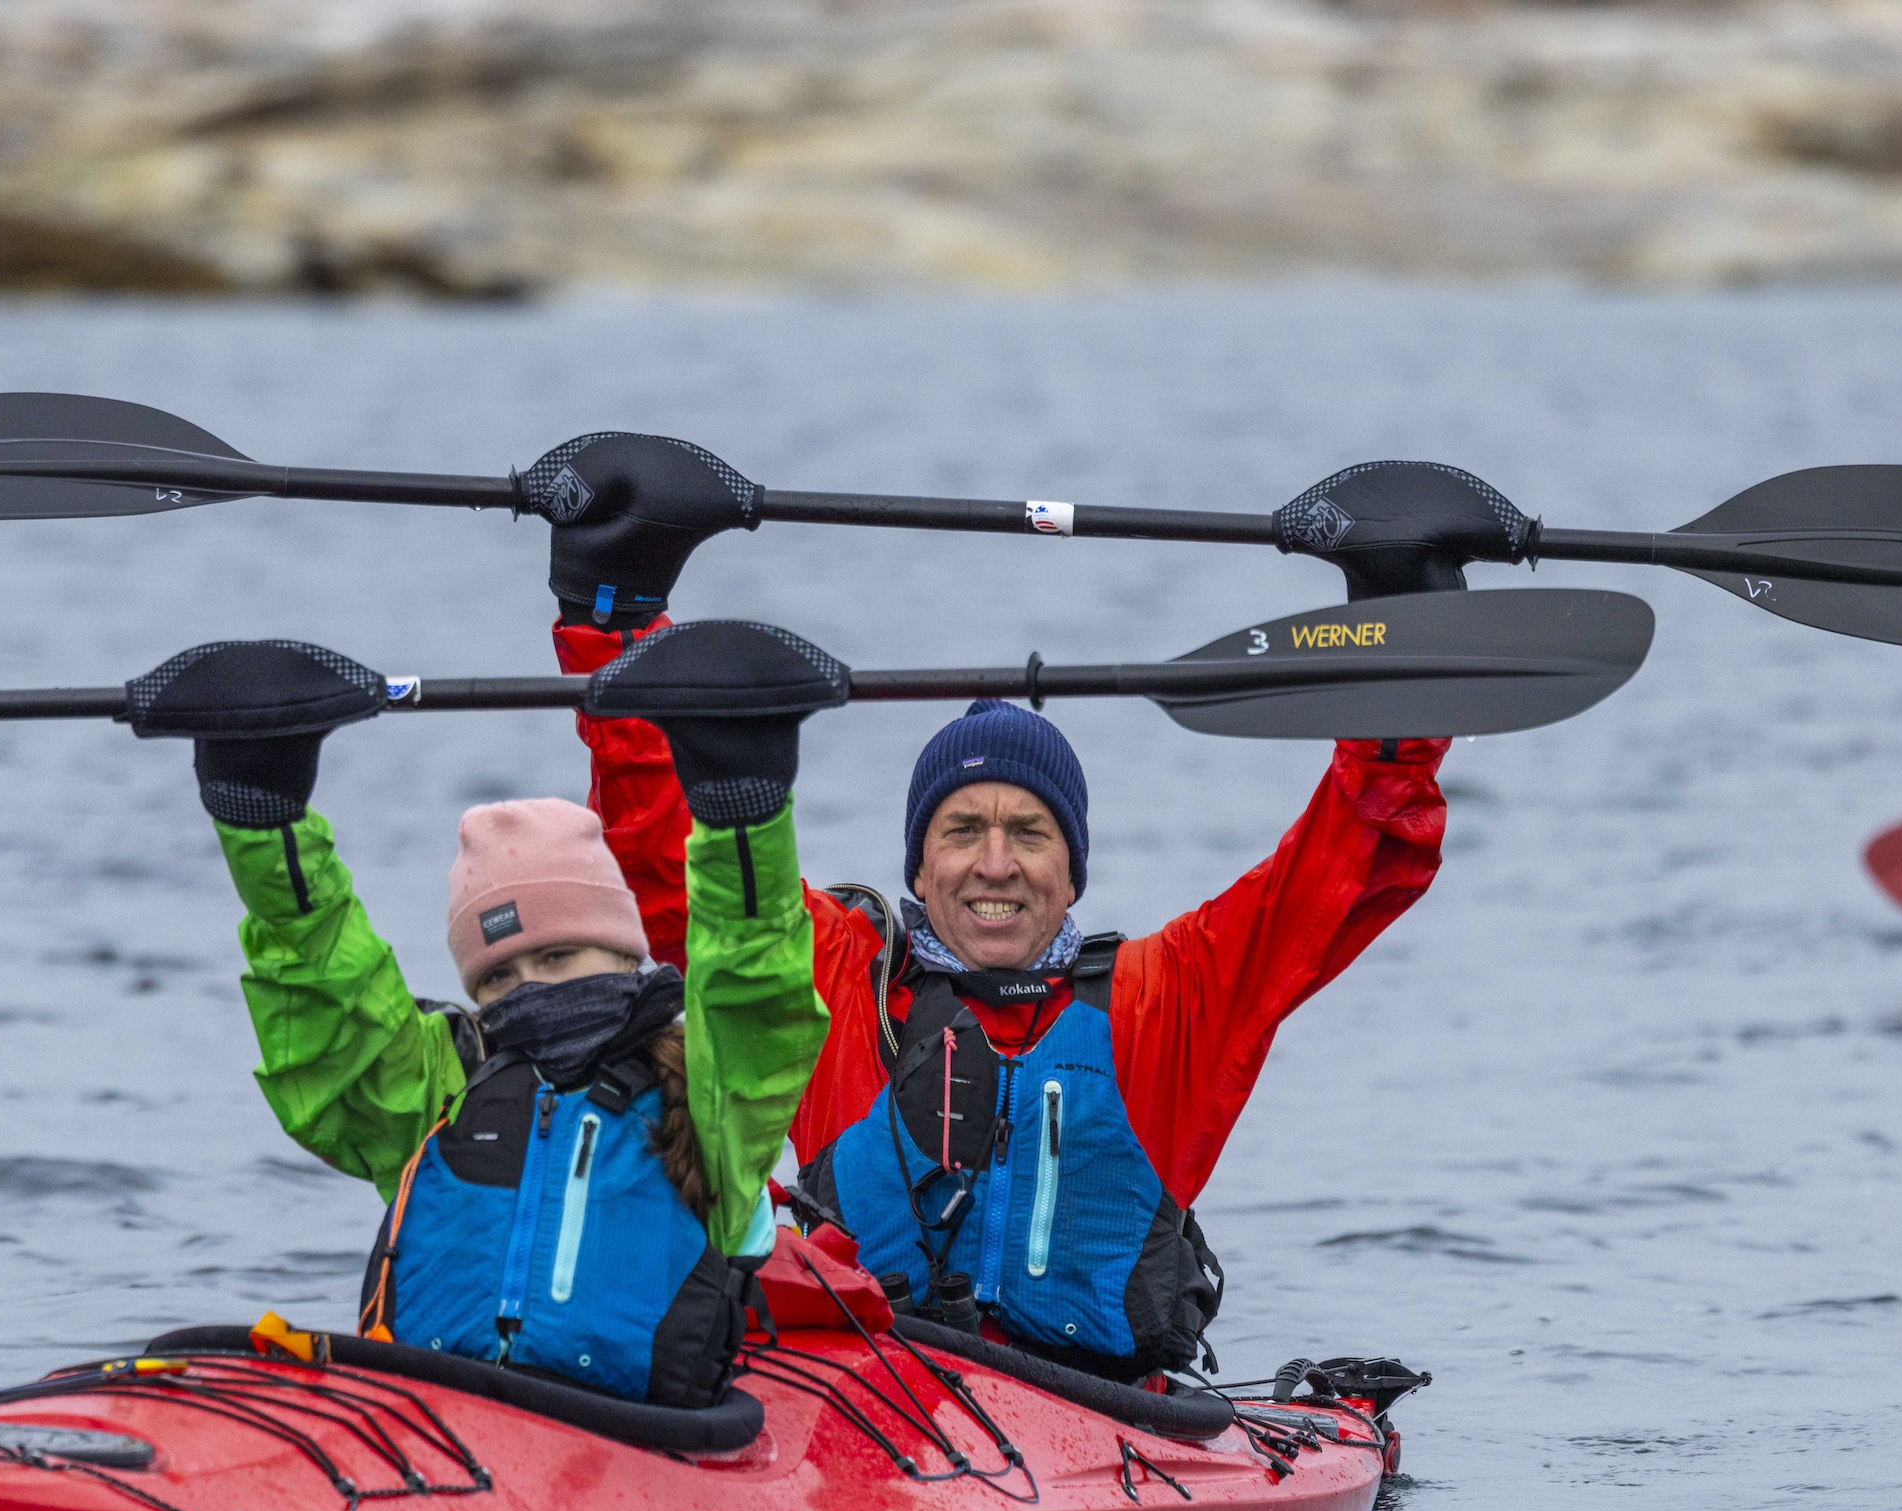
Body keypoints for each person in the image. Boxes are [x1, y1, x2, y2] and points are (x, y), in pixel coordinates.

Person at [520, 432, 1453, 1382]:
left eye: (1031, 833)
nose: (994, 864)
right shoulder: (842, 980)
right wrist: (614, 615)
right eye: (962, 831)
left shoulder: (1168, 1000)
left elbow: (1351, 853)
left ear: (1074, 872)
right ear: (919, 869)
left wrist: (1404, 638)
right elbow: (677, 859)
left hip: (1105, 1420)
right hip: (866, 1407)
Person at [131, 622, 840, 1407]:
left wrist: (742, 801)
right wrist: (262, 810)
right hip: (438, 1425)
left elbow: (754, 977)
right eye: (499, 974)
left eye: (559, 957)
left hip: (635, 1444)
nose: (530, 986)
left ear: (625, 955)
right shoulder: (442, 1089)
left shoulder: (710, 1098)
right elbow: (325, 990)